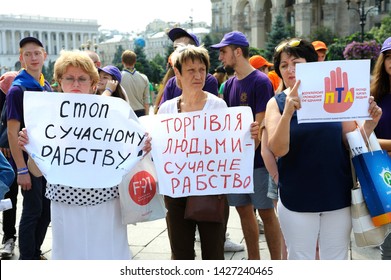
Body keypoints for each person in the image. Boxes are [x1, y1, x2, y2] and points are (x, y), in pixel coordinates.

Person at [18, 50, 151, 260]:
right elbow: (36, 172)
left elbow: (130, 157)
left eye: (82, 79)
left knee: (108, 255)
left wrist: (142, 148)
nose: (76, 84)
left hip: (105, 203)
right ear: (60, 81)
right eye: (69, 78)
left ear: (93, 84)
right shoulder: (47, 119)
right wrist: (30, 149)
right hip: (65, 204)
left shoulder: (111, 115)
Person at [265, 38, 382, 259]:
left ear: (311, 65)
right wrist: (289, 111)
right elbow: (278, 149)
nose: (290, 70)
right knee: (301, 259)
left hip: (337, 194)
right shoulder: (277, 103)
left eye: (296, 63)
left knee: (336, 260)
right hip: (297, 197)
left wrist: (369, 124)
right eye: (283, 65)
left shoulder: (333, 96)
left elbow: (351, 142)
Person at [211, 31, 282, 260]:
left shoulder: (260, 82)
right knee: (242, 211)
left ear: (238, 52)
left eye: (223, 51)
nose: (220, 57)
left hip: (259, 162)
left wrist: (257, 131)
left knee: (266, 212)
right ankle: (254, 262)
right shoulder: (229, 85)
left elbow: (262, 125)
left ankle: (277, 262)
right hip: (236, 163)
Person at [6, 37, 52, 260]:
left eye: (37, 53)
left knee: (46, 211)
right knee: (33, 211)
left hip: (47, 162)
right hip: (29, 162)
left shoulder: (46, 85)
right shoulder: (18, 89)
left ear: (45, 55)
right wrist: (21, 169)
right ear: (21, 58)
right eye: (28, 54)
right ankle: (27, 260)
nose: (33, 58)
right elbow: (13, 132)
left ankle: (35, 250)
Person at [370, 36, 391, 260]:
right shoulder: (374, 95)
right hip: (382, 174)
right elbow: (367, 137)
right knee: (388, 244)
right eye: (389, 57)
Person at [159, 28, 219, 105]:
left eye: (180, 48)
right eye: (174, 49)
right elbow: (164, 114)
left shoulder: (208, 81)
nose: (176, 53)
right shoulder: (171, 83)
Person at [0, 71, 19, 258]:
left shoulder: (22, 92)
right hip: (6, 157)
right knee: (8, 197)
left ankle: (11, 238)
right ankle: (9, 237)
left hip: (22, 152)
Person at [121, 50, 150, 117]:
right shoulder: (144, 78)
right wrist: (147, 116)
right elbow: (146, 100)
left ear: (122, 61)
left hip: (126, 111)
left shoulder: (119, 77)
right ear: (135, 61)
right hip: (141, 112)